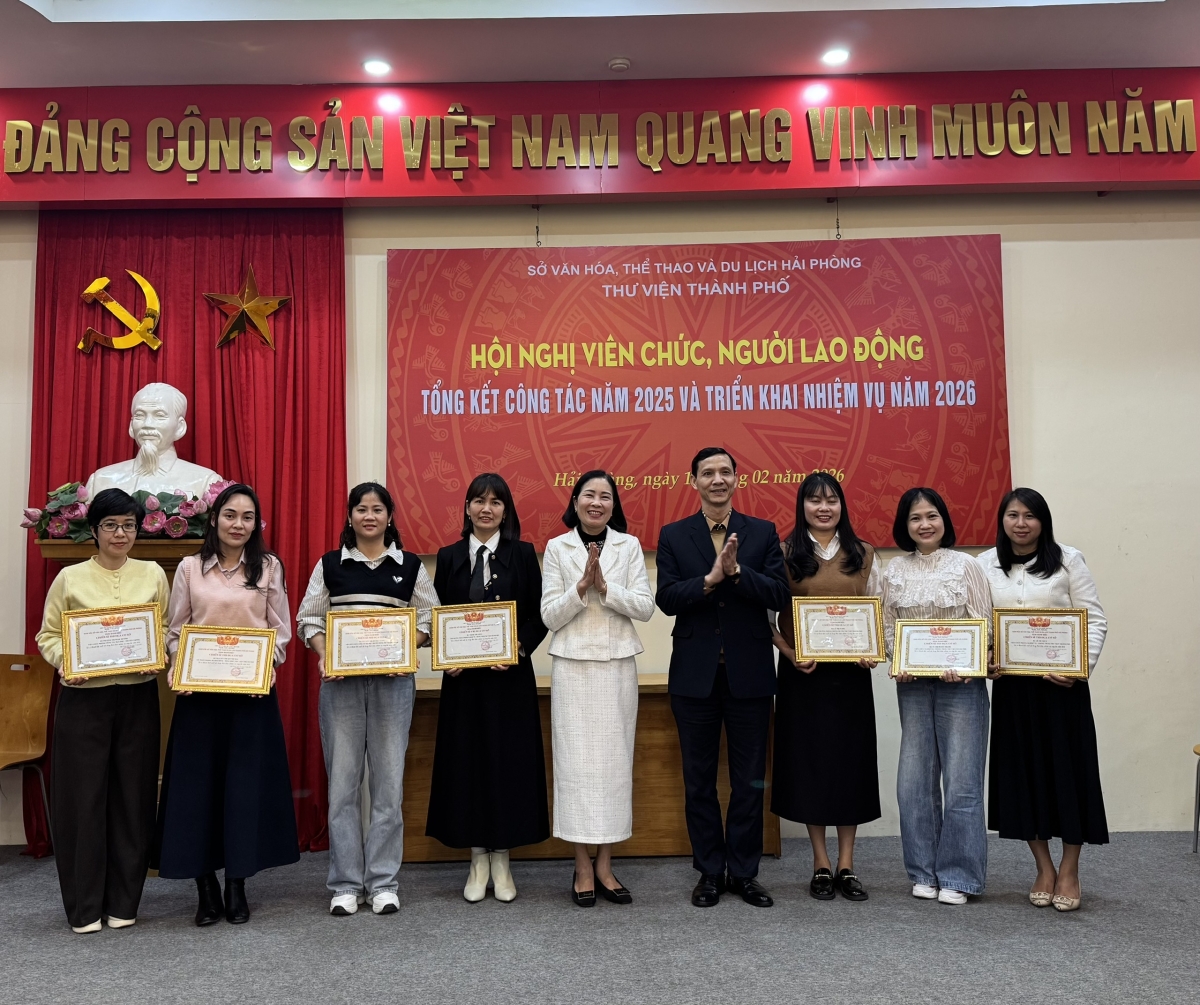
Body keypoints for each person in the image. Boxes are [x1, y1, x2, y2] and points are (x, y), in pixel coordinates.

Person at [153, 483, 298, 926]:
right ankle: (205, 887)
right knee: (197, 791)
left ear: (257, 524)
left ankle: (237, 883)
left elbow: (280, 632)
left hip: (250, 697)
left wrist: (265, 668)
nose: (239, 524)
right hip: (199, 697)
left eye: (247, 517)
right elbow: (176, 630)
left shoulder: (269, 567)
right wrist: (180, 667)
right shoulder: (190, 568)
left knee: (243, 791)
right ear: (214, 519)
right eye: (231, 515)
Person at [296, 482, 440, 917]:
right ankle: (344, 884)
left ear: (390, 516)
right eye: (361, 509)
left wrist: (406, 648)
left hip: (393, 686)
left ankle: (382, 882)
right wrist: (326, 654)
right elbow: (308, 619)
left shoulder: (410, 566)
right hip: (340, 686)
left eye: (378, 509)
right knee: (342, 786)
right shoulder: (330, 564)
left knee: (388, 786)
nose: (370, 516)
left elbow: (430, 619)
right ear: (350, 516)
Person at [655, 447, 791, 909]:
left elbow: (779, 594)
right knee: (699, 782)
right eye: (708, 473)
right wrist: (709, 580)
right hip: (694, 678)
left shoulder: (763, 531)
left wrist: (737, 573)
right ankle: (710, 872)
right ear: (693, 481)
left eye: (725, 472)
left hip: (749, 676)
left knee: (750, 781)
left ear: (737, 479)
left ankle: (745, 873)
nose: (717, 479)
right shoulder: (674, 535)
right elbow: (667, 598)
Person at [35, 489, 170, 934]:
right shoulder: (69, 578)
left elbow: (164, 627)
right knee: (83, 800)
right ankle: (85, 906)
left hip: (137, 699)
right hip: (83, 700)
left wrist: (157, 653)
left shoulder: (153, 574)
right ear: (94, 530)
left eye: (129, 525)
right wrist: (66, 663)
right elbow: (48, 635)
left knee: (133, 798)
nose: (120, 533)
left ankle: (124, 901)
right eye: (110, 525)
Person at [979, 488, 1108, 913]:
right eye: (1013, 515)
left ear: (1043, 521)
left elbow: (1094, 618)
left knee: (1069, 775)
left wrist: (1079, 668)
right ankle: (1044, 868)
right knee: (1023, 777)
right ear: (1002, 520)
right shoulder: (984, 564)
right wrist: (986, 658)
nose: (1021, 523)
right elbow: (980, 623)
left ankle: (1070, 869)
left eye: (1030, 516)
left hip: (1062, 688)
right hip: (1014, 689)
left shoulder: (1069, 559)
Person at [426, 473, 550, 902]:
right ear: (466, 508)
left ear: (505, 510)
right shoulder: (449, 556)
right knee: (468, 764)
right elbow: (436, 614)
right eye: (479, 501)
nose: (486, 509)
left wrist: (518, 648)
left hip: (509, 680)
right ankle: (478, 857)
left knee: (507, 764)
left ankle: (503, 858)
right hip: (463, 684)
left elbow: (539, 615)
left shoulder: (522, 554)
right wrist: (446, 655)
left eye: (496, 502)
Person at [541, 470, 654, 907]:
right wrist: (580, 587)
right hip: (572, 666)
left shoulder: (629, 545)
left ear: (613, 506)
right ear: (575, 502)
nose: (597, 502)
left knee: (613, 767)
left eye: (605, 496)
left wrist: (606, 588)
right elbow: (549, 615)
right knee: (574, 768)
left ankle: (605, 864)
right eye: (589, 494)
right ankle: (582, 866)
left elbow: (645, 607)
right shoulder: (557, 547)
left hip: (616, 666)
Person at [770, 473, 881, 903]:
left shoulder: (864, 553)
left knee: (849, 765)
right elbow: (765, 615)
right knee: (810, 766)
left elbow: (880, 610)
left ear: (842, 506)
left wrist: (875, 648)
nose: (823, 508)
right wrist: (788, 652)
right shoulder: (784, 553)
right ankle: (820, 862)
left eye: (831, 500)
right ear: (802, 506)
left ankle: (847, 864)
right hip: (803, 675)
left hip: (851, 676)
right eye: (814, 500)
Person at [883, 486, 993, 906]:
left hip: (961, 686)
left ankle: (959, 875)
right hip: (912, 685)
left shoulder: (967, 565)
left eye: (931, 516)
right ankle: (923, 870)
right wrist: (897, 658)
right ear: (904, 525)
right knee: (913, 782)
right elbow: (887, 625)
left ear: (944, 520)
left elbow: (984, 624)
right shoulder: (894, 570)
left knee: (962, 782)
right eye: (915, 518)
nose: (924, 524)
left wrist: (969, 663)